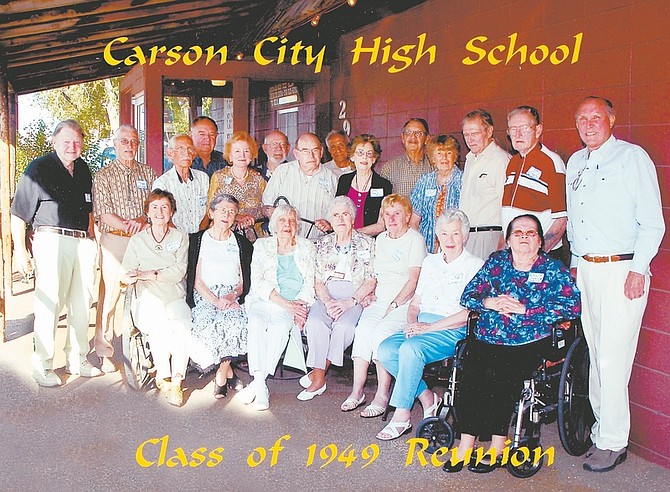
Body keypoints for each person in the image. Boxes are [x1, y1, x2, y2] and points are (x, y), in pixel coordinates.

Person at [566, 96, 665, 472]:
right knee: (595, 354)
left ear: (611, 119)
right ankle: (600, 431)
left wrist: (638, 270)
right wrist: (576, 265)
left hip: (623, 270)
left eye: (596, 117)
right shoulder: (577, 162)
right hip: (588, 270)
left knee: (612, 357)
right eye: (582, 119)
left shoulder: (631, 158)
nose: (589, 124)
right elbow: (575, 221)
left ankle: (614, 441)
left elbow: (653, 222)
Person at [447, 214, 581, 473]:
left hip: (528, 340)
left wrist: (525, 309)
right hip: (488, 336)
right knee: (471, 373)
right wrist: (489, 302)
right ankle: (466, 443)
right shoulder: (497, 263)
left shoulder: (552, 270)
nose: (524, 237)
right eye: (517, 233)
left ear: (540, 241)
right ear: (507, 240)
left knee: (502, 375)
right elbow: (468, 295)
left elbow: (572, 306)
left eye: (530, 233)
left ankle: (498, 444)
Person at [376, 210, 483, 440]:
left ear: (465, 236)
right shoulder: (430, 262)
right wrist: (413, 323)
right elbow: (415, 302)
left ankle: (402, 415)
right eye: (444, 234)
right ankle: (427, 398)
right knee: (385, 350)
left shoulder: (474, 265)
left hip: (452, 329)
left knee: (410, 349)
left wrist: (428, 329)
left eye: (455, 234)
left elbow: (468, 313)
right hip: (423, 323)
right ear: (437, 237)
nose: (450, 240)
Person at [11, 119, 100, 386]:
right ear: (54, 142)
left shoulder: (83, 169)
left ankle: (77, 358)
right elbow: (19, 215)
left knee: (82, 303)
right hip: (51, 240)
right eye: (66, 142)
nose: (72, 146)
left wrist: (93, 242)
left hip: (81, 241)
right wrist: (20, 253)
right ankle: (43, 365)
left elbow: (89, 211)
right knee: (50, 303)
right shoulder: (38, 168)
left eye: (76, 141)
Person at [342, 194, 426, 416]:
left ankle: (382, 394)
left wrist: (395, 303)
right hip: (380, 300)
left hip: (404, 303)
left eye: (397, 213)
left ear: (408, 216)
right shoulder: (381, 240)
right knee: (363, 331)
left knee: (381, 334)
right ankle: (357, 391)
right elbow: (375, 275)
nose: (391, 218)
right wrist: (369, 295)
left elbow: (413, 280)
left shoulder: (415, 239)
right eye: (387, 214)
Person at [92, 124, 157, 372]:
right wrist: (126, 225)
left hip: (142, 239)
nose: (129, 146)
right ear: (115, 144)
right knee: (110, 296)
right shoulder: (104, 175)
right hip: (115, 241)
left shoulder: (149, 173)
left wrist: (141, 221)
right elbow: (102, 213)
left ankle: (147, 350)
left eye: (133, 141)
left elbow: (154, 206)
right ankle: (104, 350)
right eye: (124, 141)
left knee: (147, 292)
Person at [298, 197, 376, 401]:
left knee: (345, 328)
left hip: (353, 296)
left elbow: (371, 279)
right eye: (336, 215)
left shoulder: (367, 243)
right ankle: (319, 375)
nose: (341, 219)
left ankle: (318, 374)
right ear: (330, 220)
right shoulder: (322, 244)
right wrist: (328, 301)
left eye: (345, 214)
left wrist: (349, 302)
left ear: (353, 218)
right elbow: (316, 279)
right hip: (326, 294)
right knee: (315, 323)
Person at [239, 204, 316, 411]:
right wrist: (286, 303)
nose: (287, 225)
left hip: (291, 306)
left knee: (280, 328)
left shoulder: (307, 247)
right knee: (256, 323)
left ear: (297, 225)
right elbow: (258, 281)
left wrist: (300, 306)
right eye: (282, 220)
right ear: (274, 224)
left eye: (292, 220)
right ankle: (260, 382)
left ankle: (258, 383)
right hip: (265, 300)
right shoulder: (262, 246)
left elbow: (310, 283)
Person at [120, 189, 191, 407]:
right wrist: (130, 276)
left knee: (183, 322)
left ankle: (177, 379)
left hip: (174, 294)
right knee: (158, 323)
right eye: (155, 207)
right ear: (147, 212)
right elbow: (127, 271)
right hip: (147, 294)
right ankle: (164, 375)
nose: (160, 211)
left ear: (171, 212)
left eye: (164, 207)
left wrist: (149, 273)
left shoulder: (181, 238)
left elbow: (179, 271)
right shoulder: (138, 240)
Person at [186, 194, 253, 399]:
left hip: (231, 295)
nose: (227, 215)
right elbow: (195, 281)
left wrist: (231, 296)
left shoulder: (241, 243)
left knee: (235, 325)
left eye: (232, 211)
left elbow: (245, 279)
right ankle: (229, 371)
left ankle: (221, 377)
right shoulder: (197, 240)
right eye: (222, 210)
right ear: (211, 213)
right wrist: (215, 301)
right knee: (205, 326)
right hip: (205, 294)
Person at [502, 106, 567, 262]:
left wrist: (538, 256)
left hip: (540, 257)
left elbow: (561, 220)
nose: (517, 134)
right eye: (513, 129)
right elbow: (507, 215)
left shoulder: (552, 162)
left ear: (538, 131)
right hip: (515, 256)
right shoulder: (512, 163)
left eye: (524, 128)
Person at [262, 132, 337, 240]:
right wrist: (270, 211)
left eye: (315, 150)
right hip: (286, 242)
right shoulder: (282, 172)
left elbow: (335, 214)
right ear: (296, 154)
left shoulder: (332, 178)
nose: (311, 155)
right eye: (305, 151)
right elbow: (266, 206)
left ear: (321, 152)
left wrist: (329, 223)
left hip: (318, 242)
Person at [459, 109, 511, 260]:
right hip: (468, 236)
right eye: (466, 135)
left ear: (489, 131)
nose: (470, 139)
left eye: (474, 133)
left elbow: (506, 205)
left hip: (489, 237)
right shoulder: (470, 160)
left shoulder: (500, 160)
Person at [207, 131, 266, 240]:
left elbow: (265, 208)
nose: (242, 155)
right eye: (237, 151)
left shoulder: (259, 180)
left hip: (254, 237)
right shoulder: (219, 177)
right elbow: (210, 209)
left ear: (251, 155)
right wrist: (237, 217)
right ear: (230, 156)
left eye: (246, 151)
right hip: (223, 235)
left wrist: (250, 220)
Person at [410, 134, 463, 253]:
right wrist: (419, 247)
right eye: (439, 153)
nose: (444, 157)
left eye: (449, 152)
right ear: (432, 158)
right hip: (426, 247)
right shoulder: (424, 182)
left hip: (454, 247)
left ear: (455, 157)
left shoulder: (463, 181)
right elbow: (414, 221)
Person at [336, 133, 392, 236]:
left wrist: (355, 234)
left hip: (371, 242)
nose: (364, 157)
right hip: (344, 240)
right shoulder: (344, 181)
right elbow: (337, 213)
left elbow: (382, 224)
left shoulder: (384, 185)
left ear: (374, 159)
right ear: (352, 156)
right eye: (360, 153)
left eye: (369, 154)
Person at [153, 134, 209, 234]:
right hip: (174, 237)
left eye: (190, 149)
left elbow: (209, 208)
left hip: (201, 235)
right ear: (170, 153)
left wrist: (200, 235)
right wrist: (180, 238)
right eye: (181, 149)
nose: (186, 153)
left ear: (194, 153)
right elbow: (162, 216)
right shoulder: (162, 183)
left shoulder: (203, 178)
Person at [379, 118, 432, 197]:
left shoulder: (434, 166)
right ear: (403, 138)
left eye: (418, 133)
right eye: (408, 132)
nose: (413, 137)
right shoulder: (389, 168)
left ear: (427, 139)